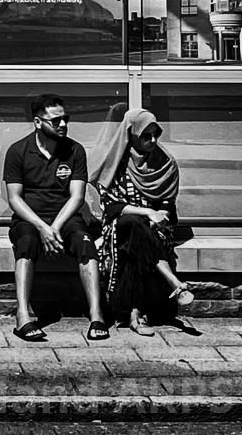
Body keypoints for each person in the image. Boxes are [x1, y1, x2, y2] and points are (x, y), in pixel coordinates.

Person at [2, 93, 110, 343]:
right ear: (38, 122)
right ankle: (23, 316)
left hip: (65, 217)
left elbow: (77, 196)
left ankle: (97, 314)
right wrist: (42, 227)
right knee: (26, 243)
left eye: (65, 119)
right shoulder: (18, 151)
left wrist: (55, 227)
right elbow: (14, 199)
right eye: (55, 120)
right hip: (30, 218)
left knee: (85, 242)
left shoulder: (74, 150)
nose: (63, 125)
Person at [87, 107, 194, 335]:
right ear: (132, 135)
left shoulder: (166, 163)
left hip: (156, 231)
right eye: (146, 135)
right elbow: (112, 207)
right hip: (118, 227)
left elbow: (168, 207)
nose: (153, 140)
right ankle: (172, 282)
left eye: (156, 135)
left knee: (135, 237)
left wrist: (159, 218)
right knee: (131, 224)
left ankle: (134, 314)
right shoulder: (116, 163)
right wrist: (147, 213)